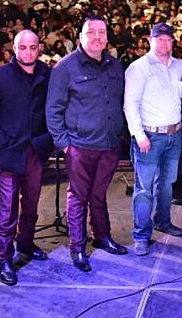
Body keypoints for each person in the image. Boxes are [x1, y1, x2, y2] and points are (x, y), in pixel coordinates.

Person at [46, 15, 129, 272]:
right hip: (80, 146)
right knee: (79, 196)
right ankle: (78, 246)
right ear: (81, 36)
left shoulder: (115, 66)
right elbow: (53, 109)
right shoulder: (65, 68)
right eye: (91, 32)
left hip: (109, 144)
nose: (97, 37)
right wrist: (64, 144)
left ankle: (102, 236)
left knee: (99, 194)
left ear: (107, 37)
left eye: (101, 32)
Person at [0, 30, 54, 286]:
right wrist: (1, 141)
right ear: (14, 48)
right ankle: (4, 258)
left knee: (31, 205)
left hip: (36, 149)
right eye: (23, 48)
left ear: (39, 48)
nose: (28, 53)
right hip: (10, 151)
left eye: (33, 48)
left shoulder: (46, 74)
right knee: (8, 208)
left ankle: (26, 243)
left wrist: (47, 141)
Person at [123, 23, 182, 257]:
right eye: (159, 39)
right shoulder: (138, 68)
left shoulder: (179, 65)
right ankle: (141, 235)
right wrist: (139, 135)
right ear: (150, 41)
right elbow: (130, 104)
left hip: (173, 135)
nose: (164, 43)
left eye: (168, 40)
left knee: (167, 184)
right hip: (149, 137)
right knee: (144, 189)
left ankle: (163, 221)